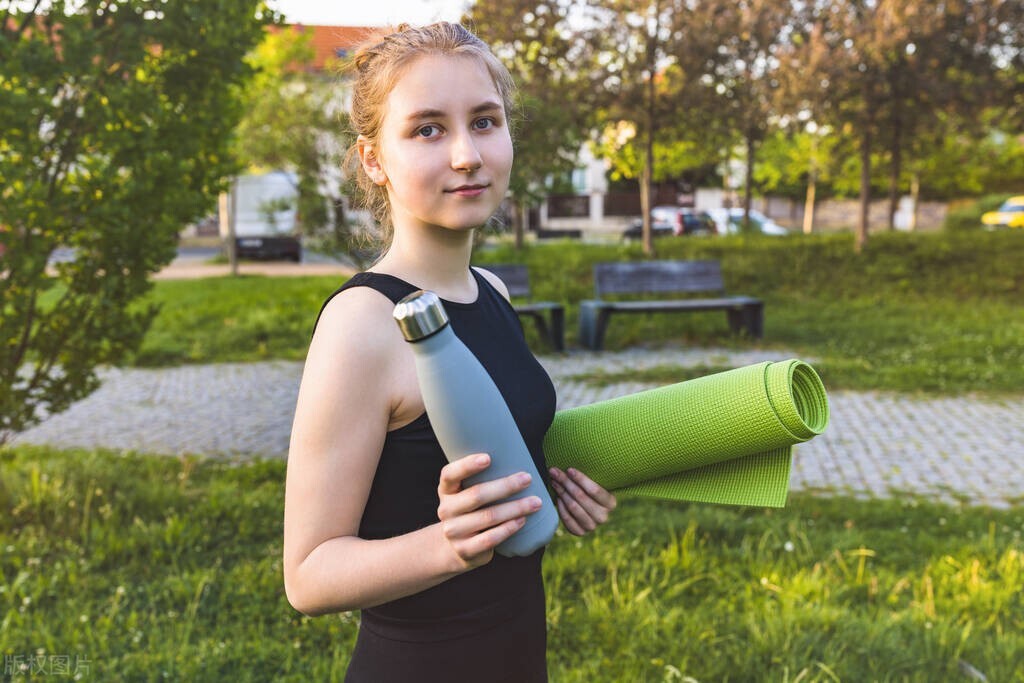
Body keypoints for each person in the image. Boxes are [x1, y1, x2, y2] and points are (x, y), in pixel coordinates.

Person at [282, 22, 617, 682]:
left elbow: (488, 455)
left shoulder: (490, 291)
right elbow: (308, 574)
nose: (467, 154)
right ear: (374, 158)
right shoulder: (363, 323)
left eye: (485, 121)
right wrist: (450, 546)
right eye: (428, 129)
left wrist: (550, 495)